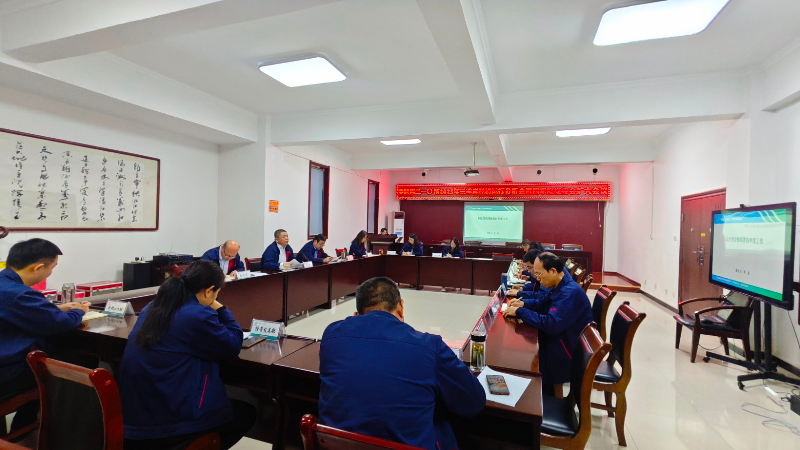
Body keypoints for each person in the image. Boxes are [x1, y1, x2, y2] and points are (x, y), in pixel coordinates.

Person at [319, 277, 485, 450]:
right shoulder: (429, 346)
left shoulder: (331, 335)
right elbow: (474, 402)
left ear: (356, 315)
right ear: (400, 307)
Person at [120, 260, 255, 450]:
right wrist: (221, 309)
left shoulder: (152, 307)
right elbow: (232, 343)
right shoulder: (197, 315)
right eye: (216, 293)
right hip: (170, 425)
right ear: (209, 291)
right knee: (246, 414)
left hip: (136, 419)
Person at [0, 239, 89, 434]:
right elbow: (61, 323)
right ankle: (39, 432)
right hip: (7, 371)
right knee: (68, 363)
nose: (50, 273)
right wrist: (79, 311)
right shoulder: (19, 294)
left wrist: (56, 308)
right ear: (38, 268)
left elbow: (16, 312)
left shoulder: (4, 283)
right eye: (52, 268)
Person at [502, 252, 592, 390]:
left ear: (553, 271)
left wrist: (521, 312)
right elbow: (543, 302)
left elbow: (551, 324)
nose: (537, 280)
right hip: (560, 340)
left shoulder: (569, 292)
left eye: (539, 275)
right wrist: (523, 304)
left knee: (521, 357)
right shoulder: (560, 284)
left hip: (567, 353)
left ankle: (537, 394)